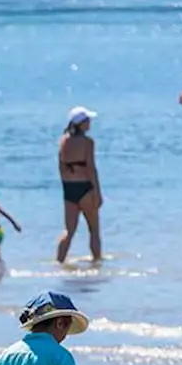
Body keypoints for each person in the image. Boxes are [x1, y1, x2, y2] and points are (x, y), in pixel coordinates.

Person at [56, 106, 102, 266]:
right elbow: (91, 168)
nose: (90, 124)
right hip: (85, 187)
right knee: (94, 229)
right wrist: (97, 192)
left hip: (69, 189)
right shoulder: (87, 142)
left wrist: (66, 188)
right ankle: (97, 263)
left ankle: (59, 262)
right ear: (81, 124)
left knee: (69, 230)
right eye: (87, 121)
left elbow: (61, 168)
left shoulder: (63, 141)